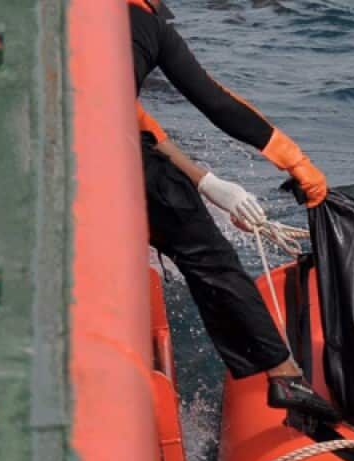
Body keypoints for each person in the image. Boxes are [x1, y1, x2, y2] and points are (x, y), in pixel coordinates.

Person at [129, 0, 337, 421]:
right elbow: (216, 102)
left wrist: (205, 181)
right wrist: (295, 161)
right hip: (104, 154)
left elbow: (134, 119)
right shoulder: (147, 26)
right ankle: (284, 373)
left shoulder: (84, 23)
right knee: (210, 256)